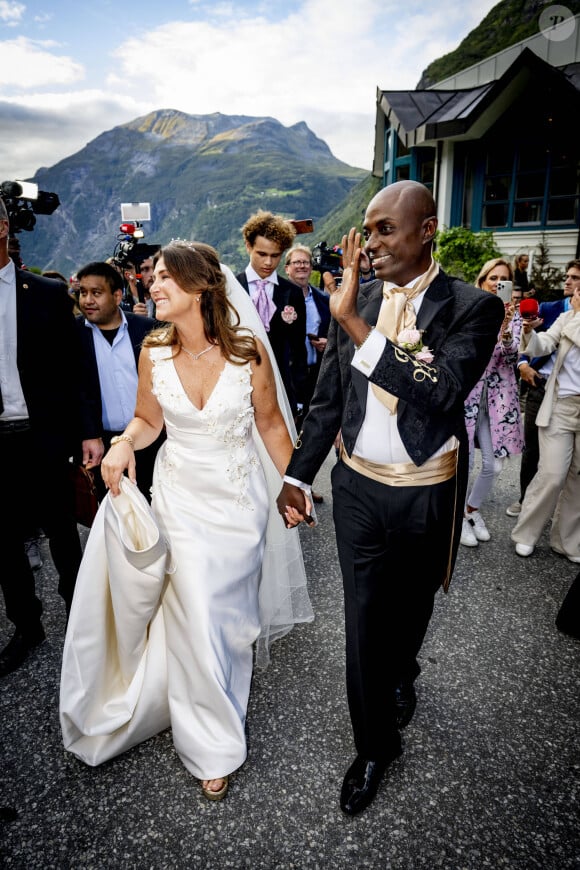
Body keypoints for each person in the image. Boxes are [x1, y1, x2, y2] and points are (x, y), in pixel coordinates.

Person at [276, 180, 504, 816]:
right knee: (364, 621)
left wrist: (350, 318)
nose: (370, 243)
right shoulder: (361, 297)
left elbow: (442, 390)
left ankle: (404, 670)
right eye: (367, 231)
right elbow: (329, 399)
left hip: (428, 492)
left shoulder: (473, 307)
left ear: (426, 230)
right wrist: (298, 476)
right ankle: (374, 746)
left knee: (413, 605)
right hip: (355, 489)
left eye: (384, 230)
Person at [60, 241, 313, 800]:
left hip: (236, 501)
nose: (152, 286)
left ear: (200, 287)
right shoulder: (153, 350)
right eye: (152, 278)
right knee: (195, 604)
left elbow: (271, 426)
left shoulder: (248, 354)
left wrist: (294, 483)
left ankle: (209, 686)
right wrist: (124, 445)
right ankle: (213, 742)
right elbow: (147, 419)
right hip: (178, 496)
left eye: (164, 278)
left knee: (222, 614)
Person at [0, 197, 103, 678]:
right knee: (3, 542)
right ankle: (26, 626)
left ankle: (83, 624)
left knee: (62, 532)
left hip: (44, 436)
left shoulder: (43, 293)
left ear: (3, 229)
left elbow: (77, 371)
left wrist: (87, 432)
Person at [75, 260, 165, 502]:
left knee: (160, 508)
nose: (87, 300)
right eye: (82, 293)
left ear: (116, 296)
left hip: (153, 439)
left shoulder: (148, 329)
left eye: (96, 293)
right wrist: (89, 433)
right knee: (118, 516)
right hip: (103, 444)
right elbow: (74, 391)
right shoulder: (72, 335)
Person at [511, 281, 580, 563]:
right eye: (578, 290)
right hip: (561, 405)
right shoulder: (566, 318)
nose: (577, 295)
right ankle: (525, 534)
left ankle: (567, 541)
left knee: (578, 479)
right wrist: (530, 331)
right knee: (552, 474)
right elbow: (543, 345)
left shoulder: (573, 320)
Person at [460, 258, 524, 547]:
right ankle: (458, 520)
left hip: (497, 401)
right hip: (468, 395)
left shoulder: (515, 316)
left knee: (494, 466)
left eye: (503, 279)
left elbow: (511, 357)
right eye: (493, 278)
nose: (497, 283)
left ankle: (471, 510)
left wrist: (507, 327)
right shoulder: (470, 310)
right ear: (482, 280)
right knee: (465, 462)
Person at [236, 210, 308, 418]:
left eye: (275, 256)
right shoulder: (231, 288)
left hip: (281, 386)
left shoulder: (292, 292)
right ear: (248, 246)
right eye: (262, 254)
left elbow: (298, 348)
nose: (268, 262)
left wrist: (300, 395)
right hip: (239, 385)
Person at [285, 244, 331, 503]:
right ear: (288, 267)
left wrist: (327, 343)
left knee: (310, 433)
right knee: (288, 430)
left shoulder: (323, 300)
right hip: (290, 374)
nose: (302, 266)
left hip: (317, 373)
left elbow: (335, 332)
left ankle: (305, 485)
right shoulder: (282, 298)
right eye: (297, 262)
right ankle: (285, 485)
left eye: (306, 262)